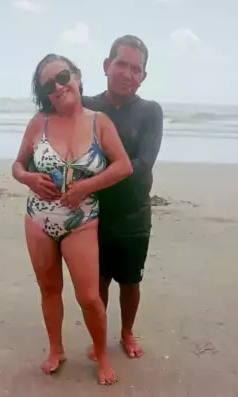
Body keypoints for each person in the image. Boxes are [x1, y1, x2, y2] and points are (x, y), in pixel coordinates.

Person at [12, 54, 133, 385]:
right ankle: (56, 350)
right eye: (48, 85)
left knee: (89, 297)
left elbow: (123, 166)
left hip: (82, 221)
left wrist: (87, 187)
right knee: (49, 288)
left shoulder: (99, 122)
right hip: (38, 219)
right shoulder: (39, 122)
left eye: (63, 77)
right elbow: (17, 165)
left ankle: (102, 355)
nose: (58, 86)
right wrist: (28, 178)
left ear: (77, 77)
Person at [83, 35, 164, 359]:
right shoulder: (86, 107)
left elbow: (143, 165)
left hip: (133, 213)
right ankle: (100, 335)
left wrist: (93, 180)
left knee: (130, 281)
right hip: (93, 212)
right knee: (98, 280)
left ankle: (127, 332)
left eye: (136, 69)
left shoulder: (150, 112)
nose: (128, 74)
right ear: (106, 65)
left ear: (143, 76)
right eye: (121, 64)